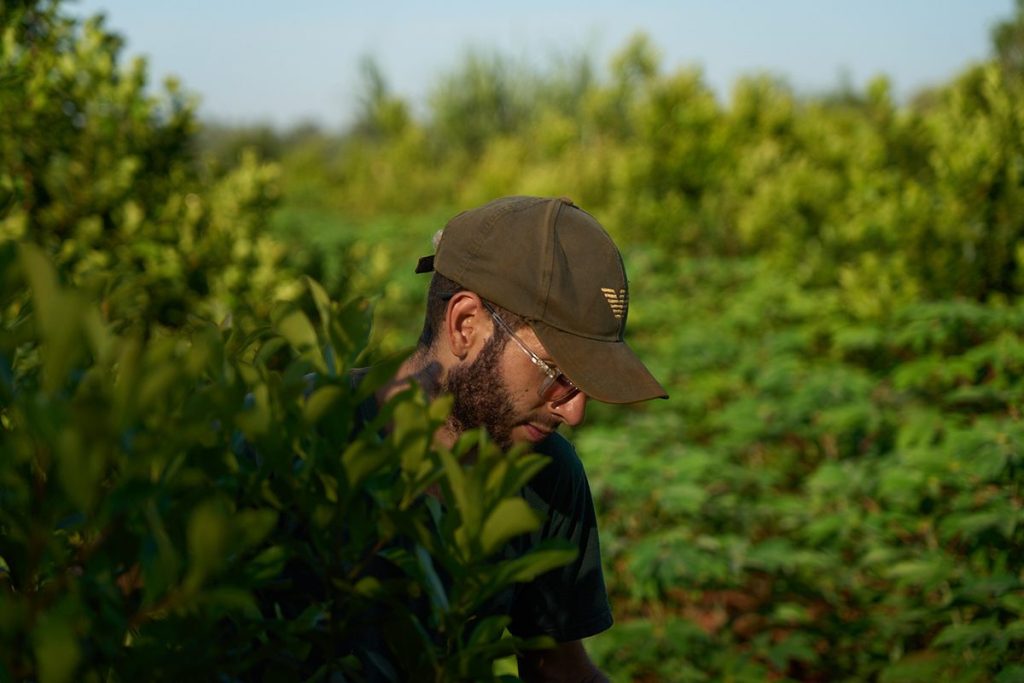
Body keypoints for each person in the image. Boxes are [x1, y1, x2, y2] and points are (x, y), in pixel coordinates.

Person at [370, 195, 668, 682]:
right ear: (466, 325)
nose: (574, 411)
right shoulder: (297, 449)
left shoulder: (547, 475)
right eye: (557, 371)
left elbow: (556, 667)